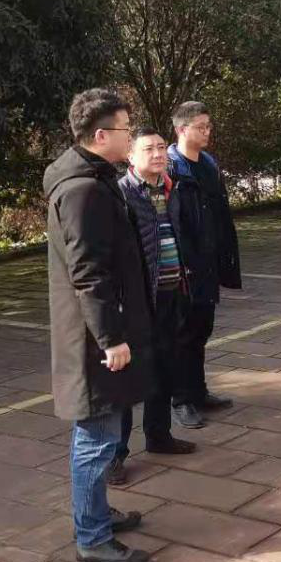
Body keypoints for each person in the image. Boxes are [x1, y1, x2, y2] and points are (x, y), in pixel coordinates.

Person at [44, 88, 153, 562]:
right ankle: (92, 540)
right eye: (127, 129)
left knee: (101, 433)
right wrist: (111, 338)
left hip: (95, 331)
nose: (132, 137)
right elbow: (88, 273)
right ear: (102, 135)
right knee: (97, 438)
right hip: (93, 339)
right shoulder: (82, 190)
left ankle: (97, 515)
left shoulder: (91, 178)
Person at [109, 127, 197, 484]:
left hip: (172, 293)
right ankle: (115, 455)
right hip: (139, 301)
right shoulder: (122, 194)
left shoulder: (171, 188)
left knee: (165, 367)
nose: (159, 154)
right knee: (129, 379)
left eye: (162, 147)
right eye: (149, 149)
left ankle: (159, 435)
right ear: (131, 156)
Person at [166, 101, 241, 429]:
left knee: (201, 329)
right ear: (182, 130)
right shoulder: (170, 168)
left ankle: (198, 391)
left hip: (208, 262)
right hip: (183, 266)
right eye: (201, 127)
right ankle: (181, 399)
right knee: (182, 333)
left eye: (209, 126)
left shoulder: (208, 164)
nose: (208, 132)